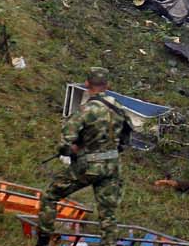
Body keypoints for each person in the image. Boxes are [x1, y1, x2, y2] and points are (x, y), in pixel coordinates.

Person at [36, 67, 132, 246]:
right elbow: (126, 139)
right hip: (112, 166)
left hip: (89, 165)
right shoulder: (119, 108)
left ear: (87, 83)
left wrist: (71, 151)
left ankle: (43, 241)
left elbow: (65, 143)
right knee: (108, 215)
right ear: (107, 85)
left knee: (50, 195)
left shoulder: (86, 110)